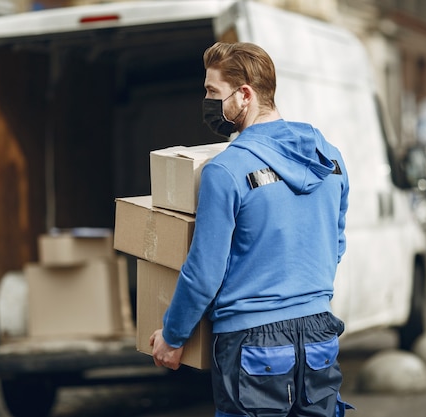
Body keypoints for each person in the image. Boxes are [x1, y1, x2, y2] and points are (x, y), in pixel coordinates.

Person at [149, 41, 352, 417]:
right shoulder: (331, 160)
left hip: (252, 345)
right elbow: (335, 244)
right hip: (320, 334)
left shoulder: (226, 170)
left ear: (244, 95)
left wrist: (173, 336)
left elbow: (204, 270)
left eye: (213, 92)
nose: (207, 101)